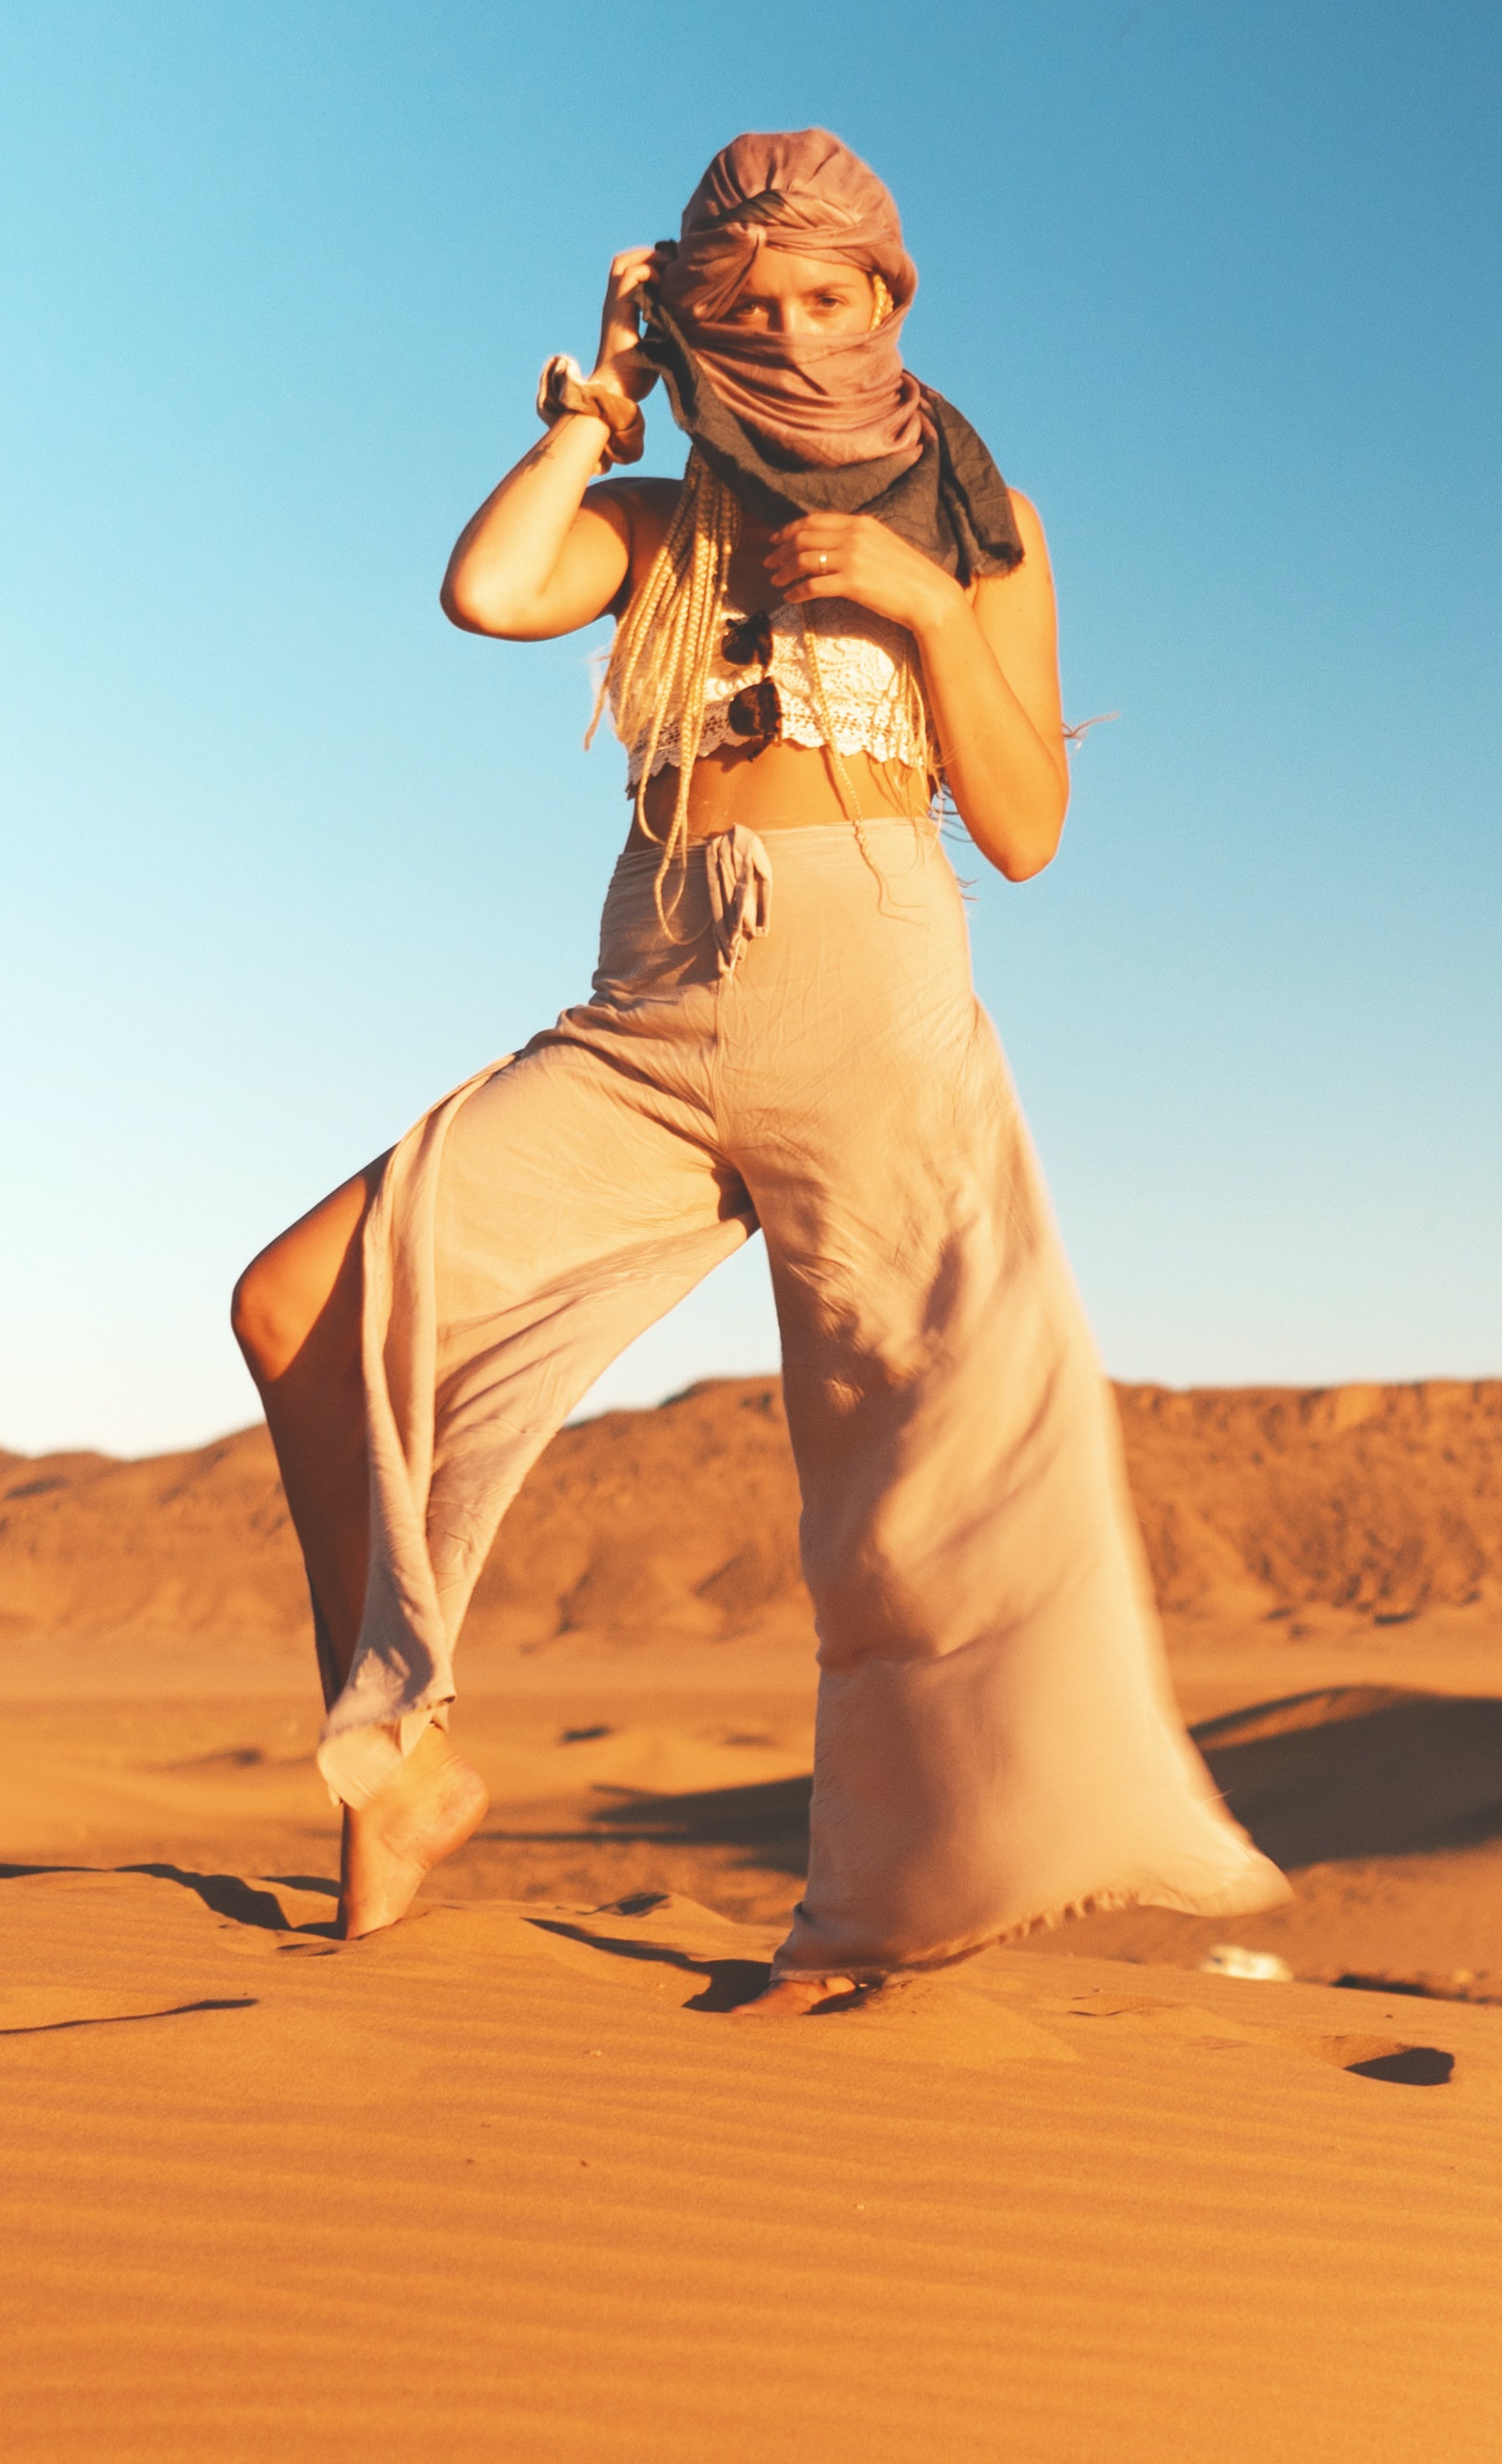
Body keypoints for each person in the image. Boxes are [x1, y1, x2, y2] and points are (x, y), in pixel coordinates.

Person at [224, 128, 1286, 2004]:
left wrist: (924, 600)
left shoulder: (980, 519)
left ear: (887, 297)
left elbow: (1027, 824)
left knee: (912, 1483)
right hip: (653, 1000)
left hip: (869, 983)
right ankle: (392, 1758)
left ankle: (891, 1913)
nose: (789, 334)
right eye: (744, 306)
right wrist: (600, 403)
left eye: (824, 296)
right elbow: (487, 589)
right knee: (302, 1301)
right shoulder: (669, 519)